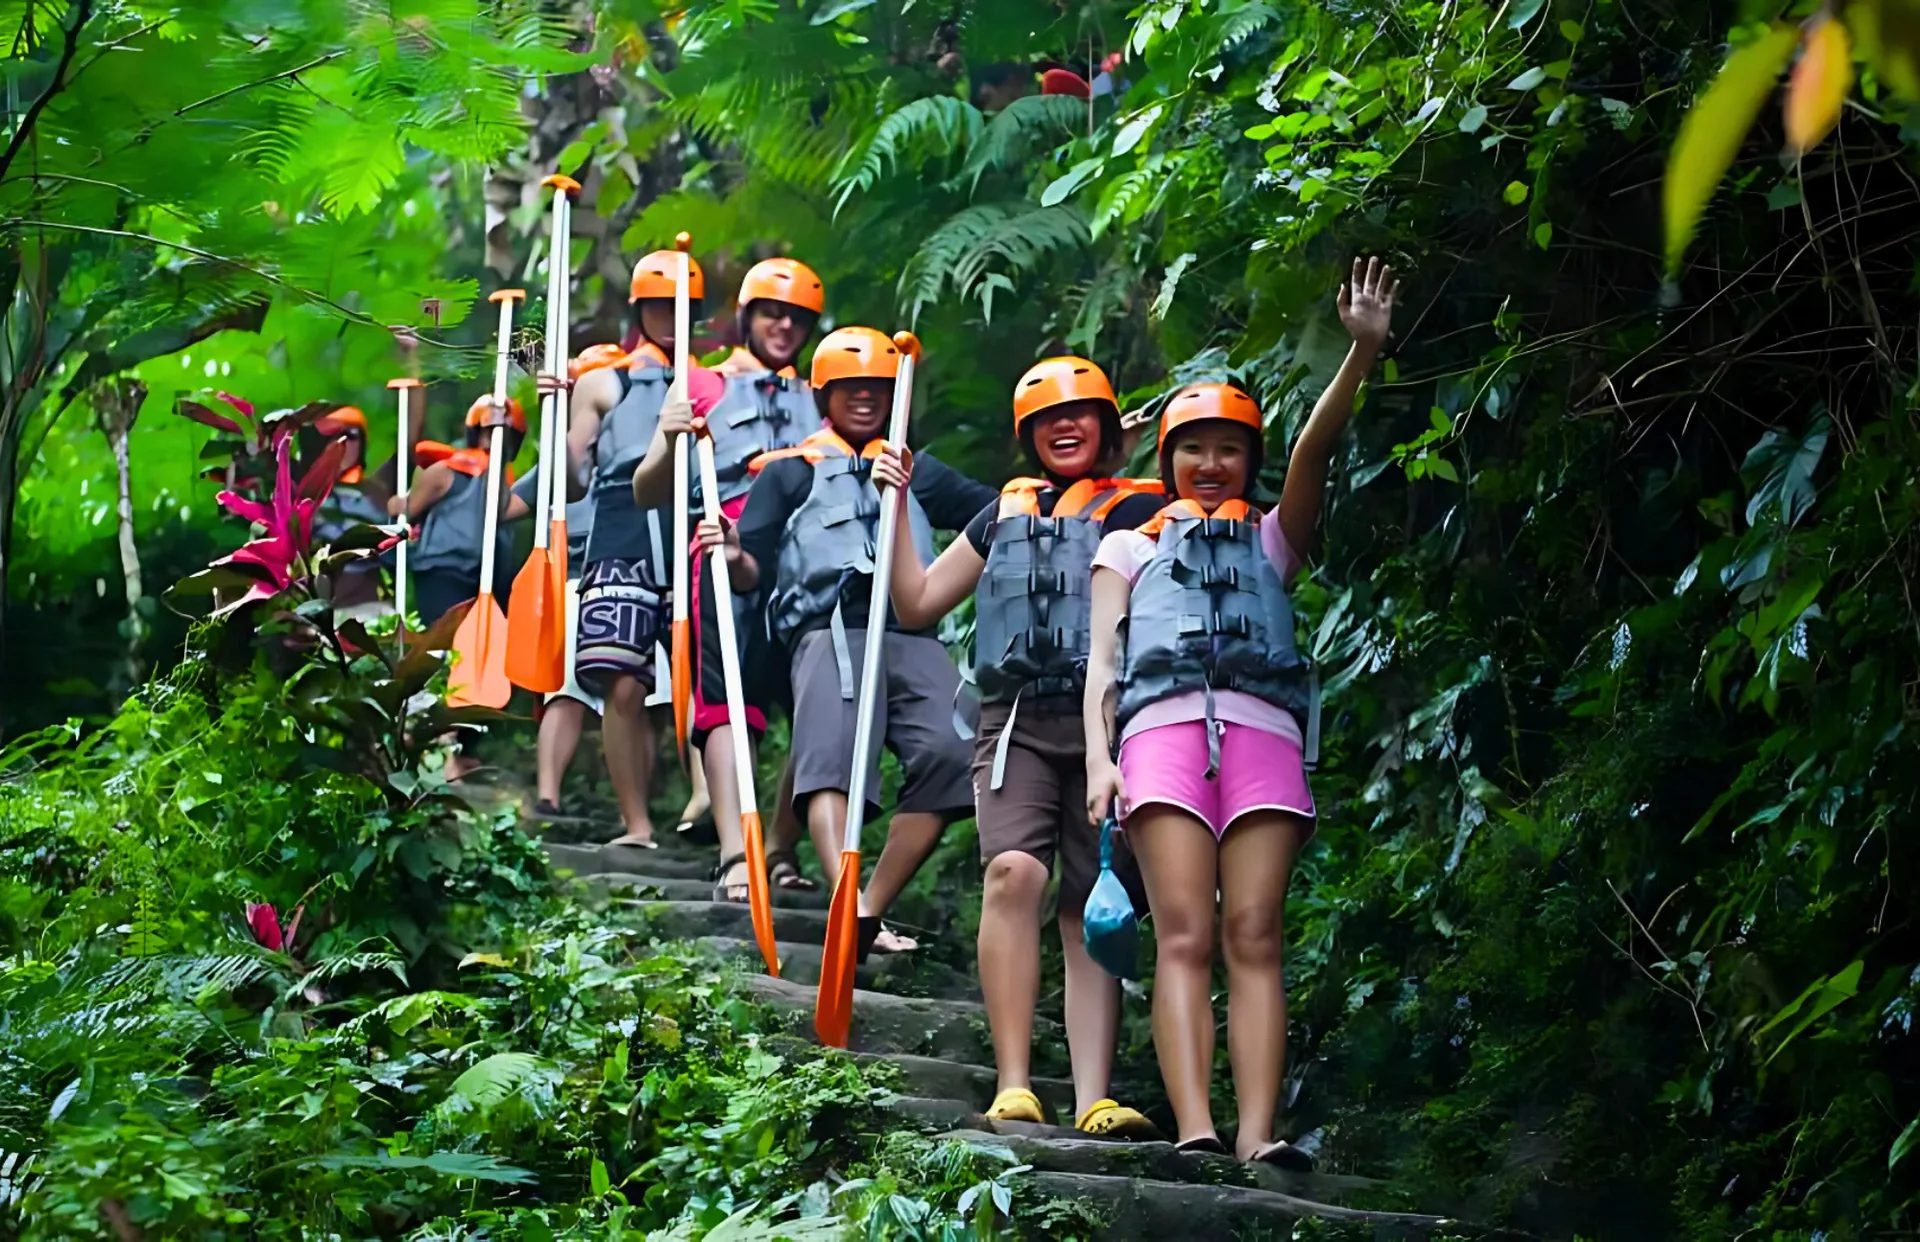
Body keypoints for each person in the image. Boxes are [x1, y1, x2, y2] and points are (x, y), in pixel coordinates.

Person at [1082, 257, 1398, 1167]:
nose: (1210, 464)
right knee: (1184, 932)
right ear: (1167, 459)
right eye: (1193, 448)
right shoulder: (1128, 548)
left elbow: (1315, 453)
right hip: (1158, 739)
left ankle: (1260, 1135)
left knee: (1253, 932)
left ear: (1247, 462)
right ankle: (1196, 1128)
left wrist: (1360, 355)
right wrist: (1101, 762)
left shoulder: (1272, 537)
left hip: (1262, 739)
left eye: (1227, 449)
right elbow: (1101, 663)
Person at [870, 356, 1163, 1136]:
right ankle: (1013, 1084)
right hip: (1017, 722)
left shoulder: (1146, 509)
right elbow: (918, 599)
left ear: (1106, 426)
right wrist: (896, 504)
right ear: (1027, 435)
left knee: (1088, 905)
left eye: (1080, 415)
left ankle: (1096, 1094)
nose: (1064, 428)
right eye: (1046, 419)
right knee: (1012, 873)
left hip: (1111, 721)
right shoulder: (1002, 512)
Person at [694, 326, 995, 953]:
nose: (864, 398)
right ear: (823, 395)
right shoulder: (790, 473)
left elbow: (991, 517)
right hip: (827, 631)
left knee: (952, 752)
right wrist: (730, 553)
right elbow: (752, 569)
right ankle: (847, 905)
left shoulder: (918, 469)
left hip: (911, 632)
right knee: (830, 763)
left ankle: (869, 904)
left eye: (877, 388)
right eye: (849, 388)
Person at [632, 257, 825, 902]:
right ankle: (734, 854)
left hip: (805, 561)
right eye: (773, 312)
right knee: (728, 705)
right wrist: (667, 435)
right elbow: (645, 489)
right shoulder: (700, 383)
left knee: (815, 709)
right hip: (724, 544)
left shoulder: (823, 396)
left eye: (797, 317)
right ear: (747, 317)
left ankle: (780, 847)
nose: (784, 326)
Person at [556, 248, 699, 848]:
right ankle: (636, 824)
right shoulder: (602, 380)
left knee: (700, 669)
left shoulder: (714, 379)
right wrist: (554, 416)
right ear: (639, 309)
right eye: (658, 306)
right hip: (621, 520)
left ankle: (705, 800)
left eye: (680, 306)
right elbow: (571, 479)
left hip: (691, 516)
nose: (668, 316)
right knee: (623, 679)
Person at [505, 454, 601, 822]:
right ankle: (549, 798)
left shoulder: (638, 442)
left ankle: (635, 816)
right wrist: (496, 459)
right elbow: (505, 508)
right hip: (569, 577)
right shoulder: (562, 456)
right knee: (565, 690)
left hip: (635, 573)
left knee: (640, 699)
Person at [392, 393, 523, 629]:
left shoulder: (506, 484)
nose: (494, 440)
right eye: (489, 432)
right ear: (476, 433)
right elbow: (405, 509)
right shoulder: (445, 471)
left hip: (487, 577)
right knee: (444, 645)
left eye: (504, 434)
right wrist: (395, 503)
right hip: (443, 572)